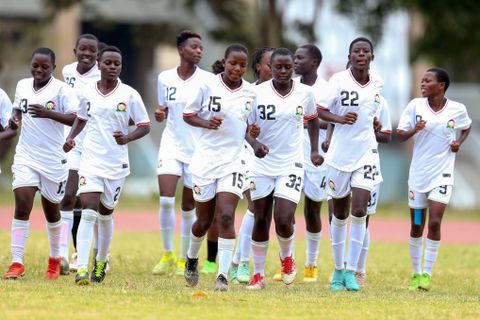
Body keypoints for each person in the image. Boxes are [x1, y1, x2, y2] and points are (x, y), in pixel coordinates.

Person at [65, 45, 151, 285]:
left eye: (117, 63)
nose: (113, 67)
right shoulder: (86, 92)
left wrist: (127, 138)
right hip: (90, 160)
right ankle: (82, 268)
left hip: (116, 165)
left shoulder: (130, 94)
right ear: (99, 65)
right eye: (108, 63)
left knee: (105, 215)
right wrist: (71, 137)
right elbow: (81, 118)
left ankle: (101, 260)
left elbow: (145, 125)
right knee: (88, 212)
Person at [182, 44, 258, 291]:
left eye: (242, 65)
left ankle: (222, 276)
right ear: (224, 62)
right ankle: (192, 259)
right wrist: (206, 122)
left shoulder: (250, 93)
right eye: (233, 63)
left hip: (234, 162)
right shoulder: (207, 86)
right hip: (205, 161)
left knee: (225, 216)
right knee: (203, 221)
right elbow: (188, 114)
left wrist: (253, 135)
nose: (237, 68)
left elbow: (249, 125)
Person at [246, 48, 322, 290]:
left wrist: (313, 150)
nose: (282, 71)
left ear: (293, 68)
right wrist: (254, 142)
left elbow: (312, 120)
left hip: (291, 163)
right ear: (269, 67)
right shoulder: (256, 93)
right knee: (260, 219)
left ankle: (287, 258)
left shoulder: (305, 93)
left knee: (283, 218)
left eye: (287, 67)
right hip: (261, 163)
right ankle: (258, 275)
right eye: (277, 67)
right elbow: (243, 126)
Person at [3, 47, 80, 280]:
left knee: (52, 212)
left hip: (53, 159)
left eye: (45, 66)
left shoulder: (62, 90)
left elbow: (76, 117)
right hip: (26, 155)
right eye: (35, 65)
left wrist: (49, 113)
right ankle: (17, 262)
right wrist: (14, 119)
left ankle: (55, 259)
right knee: (22, 204)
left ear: (53, 68)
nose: (39, 70)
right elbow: (18, 108)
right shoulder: (22, 85)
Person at [317, 37, 383, 291]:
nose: (361, 55)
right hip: (339, 155)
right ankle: (338, 270)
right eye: (357, 51)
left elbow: (371, 113)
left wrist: (373, 123)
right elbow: (319, 110)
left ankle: (354, 272)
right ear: (350, 55)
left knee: (359, 210)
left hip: (366, 153)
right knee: (340, 213)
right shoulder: (338, 81)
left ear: (371, 56)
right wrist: (340, 119)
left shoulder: (378, 83)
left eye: (366, 51)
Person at [397, 68, 471, 291]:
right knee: (417, 224)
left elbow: (466, 126)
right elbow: (399, 134)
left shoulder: (457, 109)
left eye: (427, 81)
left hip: (442, 175)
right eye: (422, 80)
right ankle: (415, 273)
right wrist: (413, 130)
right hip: (418, 176)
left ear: (441, 86)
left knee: (435, 222)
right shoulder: (415, 107)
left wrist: (459, 142)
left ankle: (427, 274)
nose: (422, 84)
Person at [152, 30, 212, 276]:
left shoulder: (208, 80)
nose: (199, 51)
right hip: (171, 144)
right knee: (166, 200)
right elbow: (163, 108)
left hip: (197, 149)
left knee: (189, 207)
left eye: (201, 48)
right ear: (181, 50)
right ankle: (167, 254)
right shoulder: (165, 78)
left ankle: (183, 258)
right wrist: (160, 114)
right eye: (194, 47)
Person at [229, 46, 274, 284]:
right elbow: (238, 121)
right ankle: (243, 263)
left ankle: (237, 262)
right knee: (254, 207)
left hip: (272, 159)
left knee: (258, 210)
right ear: (258, 66)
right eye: (269, 65)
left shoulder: (285, 91)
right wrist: (250, 132)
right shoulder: (249, 92)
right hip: (246, 154)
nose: (274, 69)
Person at [59, 33, 101, 274]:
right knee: (69, 196)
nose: (86, 53)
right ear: (75, 50)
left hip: (95, 146)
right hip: (72, 142)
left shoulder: (103, 75)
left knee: (92, 203)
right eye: (82, 49)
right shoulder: (67, 72)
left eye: (91, 50)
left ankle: (95, 253)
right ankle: (63, 254)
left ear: (97, 53)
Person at [293, 44, 330, 283]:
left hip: (318, 156)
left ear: (314, 62)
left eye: (300, 58)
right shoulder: (290, 87)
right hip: (292, 154)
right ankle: (288, 263)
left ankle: (312, 264)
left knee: (313, 208)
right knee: (285, 209)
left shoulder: (327, 89)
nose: (295, 61)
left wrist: (310, 122)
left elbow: (332, 120)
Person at [355, 94, 392, 287]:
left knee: (363, 217)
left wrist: (375, 130)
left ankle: (358, 270)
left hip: (368, 163)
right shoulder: (338, 95)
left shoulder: (379, 100)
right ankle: (340, 267)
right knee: (337, 216)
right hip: (341, 162)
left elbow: (386, 136)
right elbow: (327, 123)